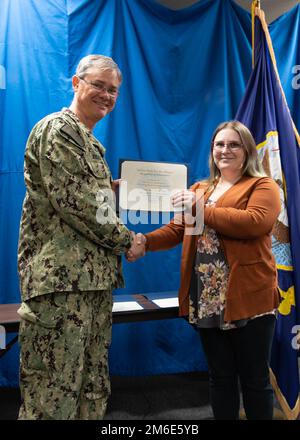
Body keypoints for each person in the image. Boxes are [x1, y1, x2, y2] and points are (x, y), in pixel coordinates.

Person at [127, 120, 281, 420]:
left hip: (249, 298)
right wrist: (145, 241)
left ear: (247, 150)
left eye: (233, 144)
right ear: (212, 151)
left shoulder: (263, 185)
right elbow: (177, 229)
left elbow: (255, 222)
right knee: (220, 378)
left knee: (255, 380)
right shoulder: (200, 187)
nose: (225, 150)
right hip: (208, 297)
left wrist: (199, 207)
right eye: (219, 144)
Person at [17, 54, 141, 420]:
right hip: (61, 289)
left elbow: (87, 195)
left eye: (113, 90)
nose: (106, 94)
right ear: (76, 83)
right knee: (52, 398)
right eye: (98, 85)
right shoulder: (60, 129)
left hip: (90, 286)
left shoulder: (89, 143)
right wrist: (127, 239)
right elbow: (79, 204)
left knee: (90, 387)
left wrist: (116, 189)